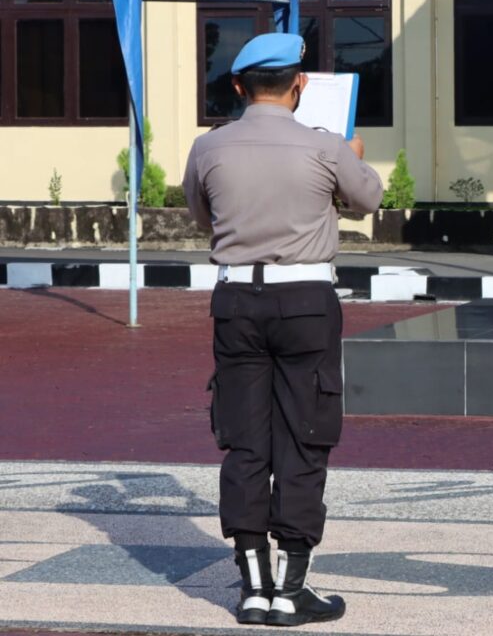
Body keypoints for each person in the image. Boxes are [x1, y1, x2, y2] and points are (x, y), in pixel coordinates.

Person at [182, 33, 383, 626]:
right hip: (307, 302)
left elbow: (204, 217)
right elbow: (367, 199)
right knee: (305, 435)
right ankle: (292, 586)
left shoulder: (208, 148)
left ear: (240, 88)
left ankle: (252, 584)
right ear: (299, 87)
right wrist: (353, 155)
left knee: (245, 440)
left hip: (236, 299)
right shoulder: (322, 147)